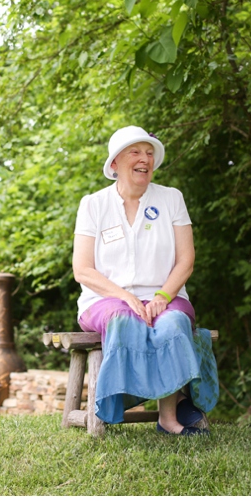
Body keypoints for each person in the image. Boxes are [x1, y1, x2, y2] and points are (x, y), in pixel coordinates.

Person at [72, 125, 218, 435]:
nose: (145, 159)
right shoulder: (93, 204)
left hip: (165, 295)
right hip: (105, 300)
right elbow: (82, 270)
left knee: (172, 323)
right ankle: (113, 406)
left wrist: (162, 298)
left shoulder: (171, 198)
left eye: (149, 153)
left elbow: (186, 260)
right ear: (115, 164)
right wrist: (126, 297)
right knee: (125, 319)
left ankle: (168, 419)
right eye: (135, 152)